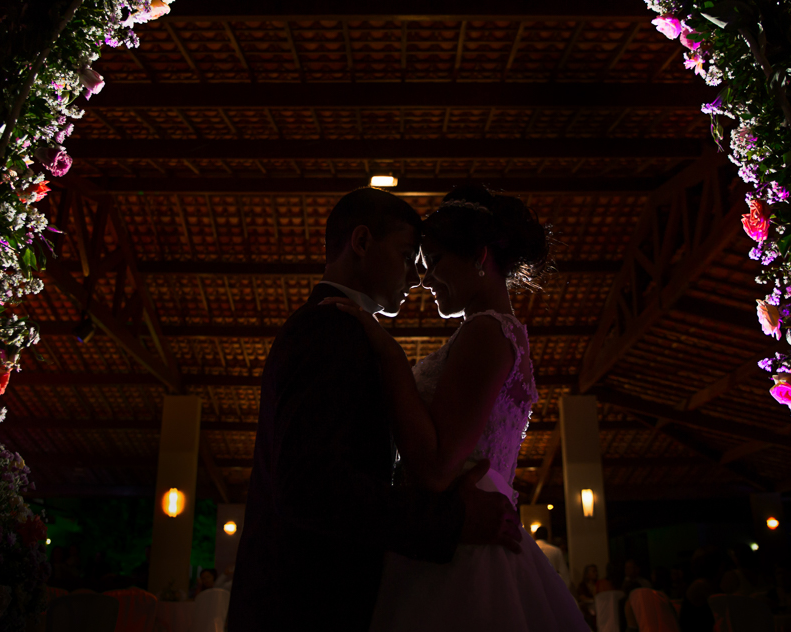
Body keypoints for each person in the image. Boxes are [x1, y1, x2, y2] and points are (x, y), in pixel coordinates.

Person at [230, 188, 521, 631]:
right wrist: (451, 521)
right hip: (305, 605)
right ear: (362, 242)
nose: (416, 278)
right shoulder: (328, 330)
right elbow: (311, 487)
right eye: (407, 256)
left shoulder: (345, 330)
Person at [327, 186, 586, 631]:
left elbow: (436, 468)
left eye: (434, 261)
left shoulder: (485, 332)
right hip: (463, 530)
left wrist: (389, 355)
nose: (424, 279)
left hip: (462, 551)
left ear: (479, 257)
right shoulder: (500, 333)